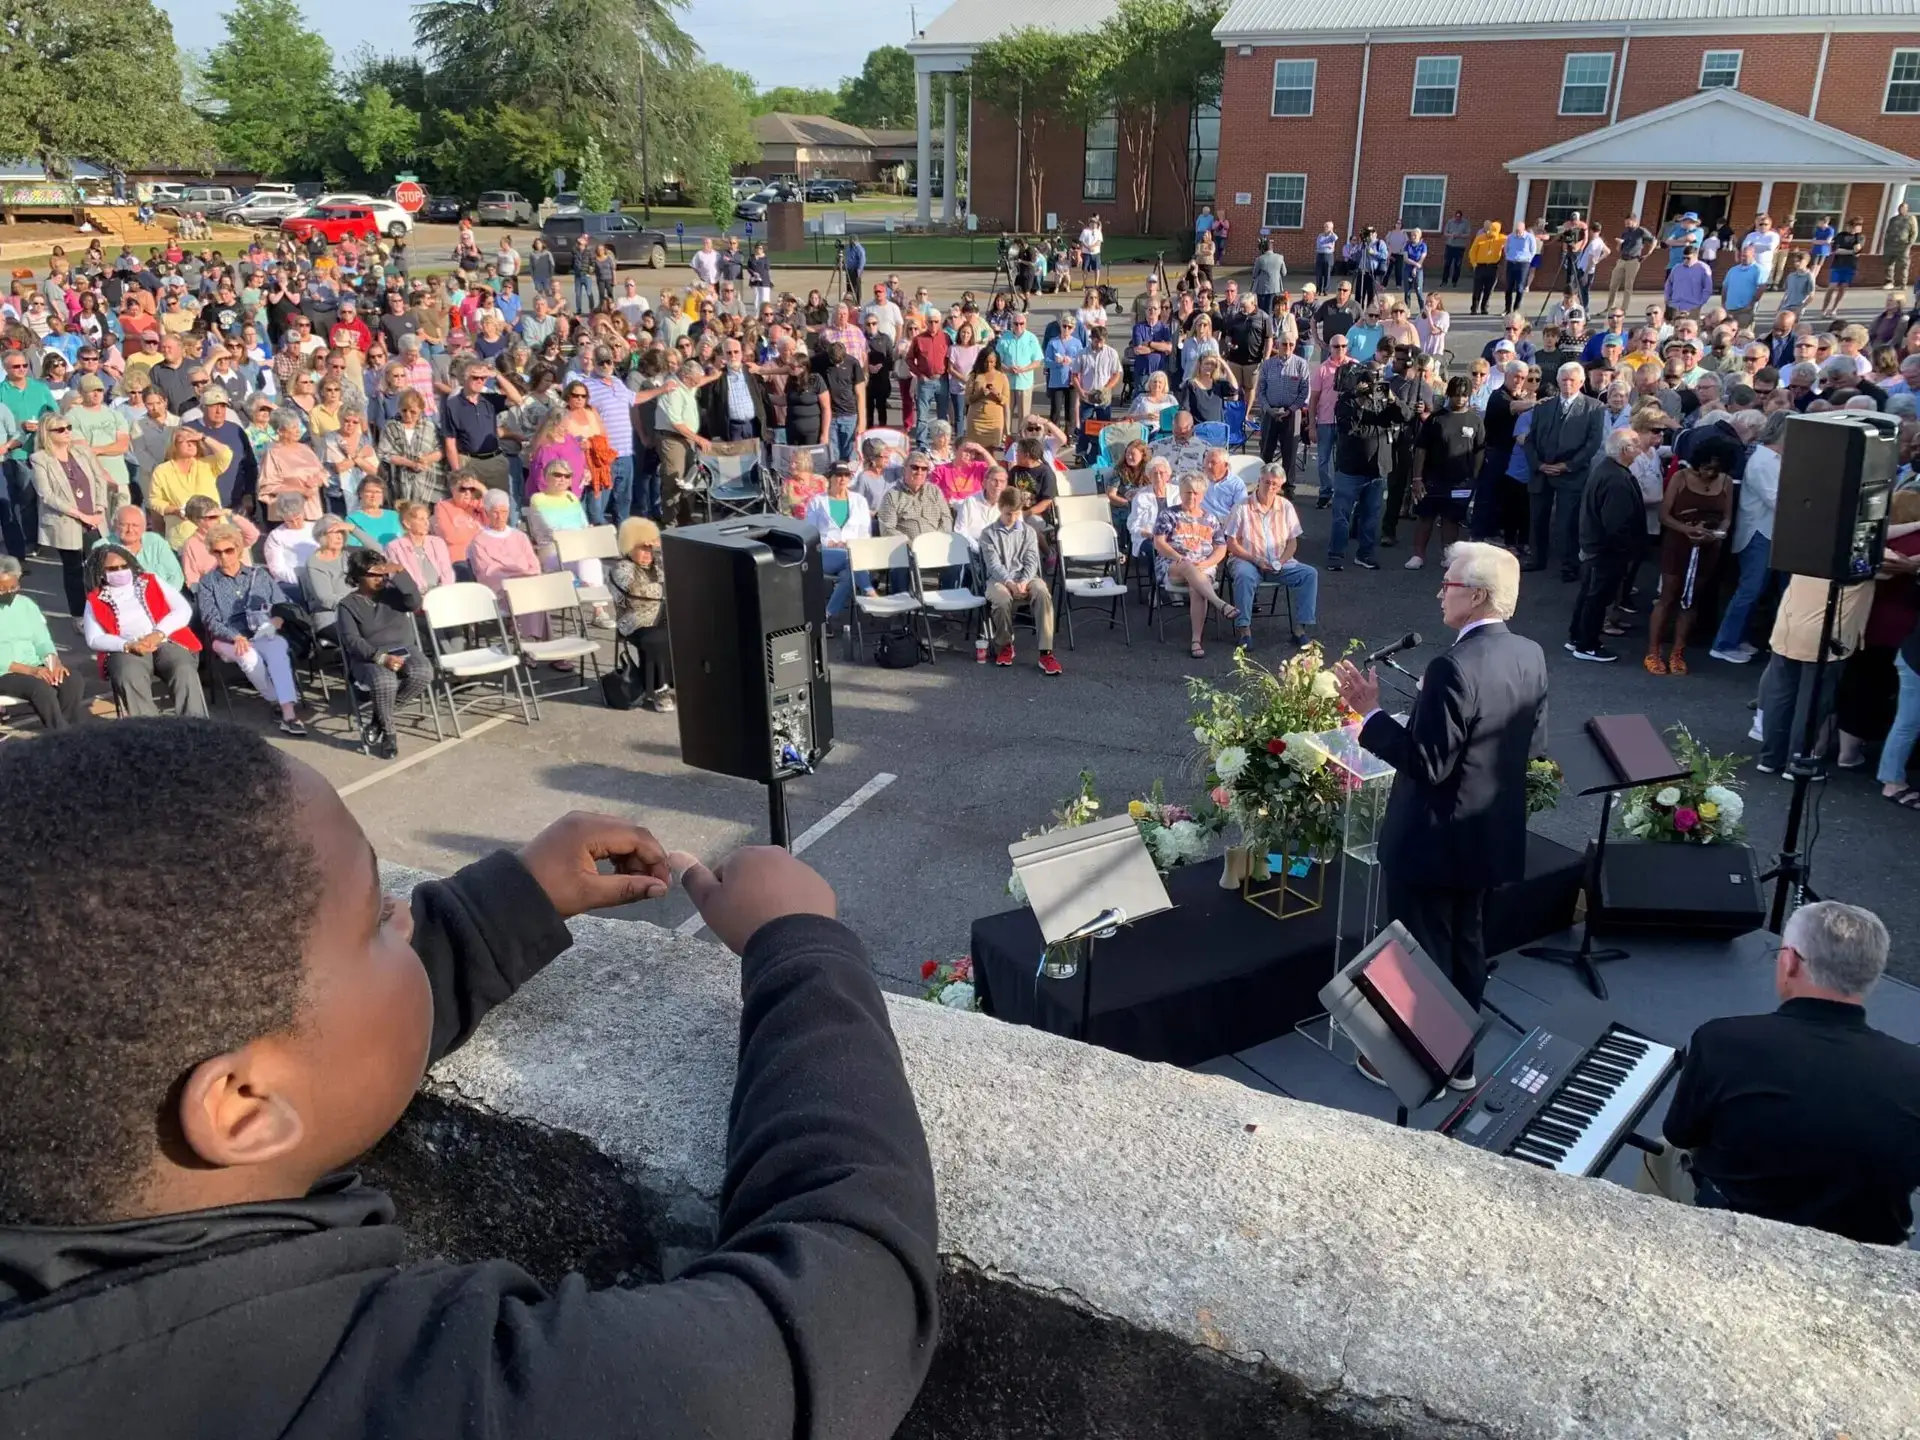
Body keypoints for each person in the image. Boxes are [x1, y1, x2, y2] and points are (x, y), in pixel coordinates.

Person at [0, 723, 939, 1434]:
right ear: (244, 1111)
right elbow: (843, 1312)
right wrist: (800, 945)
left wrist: (509, 903)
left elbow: (293, 1053)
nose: (408, 918)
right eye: (376, 920)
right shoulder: (420, 1394)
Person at [1333, 543, 1548, 1089]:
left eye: (1447, 582)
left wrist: (1371, 716)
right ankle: (1460, 1065)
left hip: (1433, 840)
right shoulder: (1530, 654)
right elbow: (1530, 741)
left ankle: (1416, 1060)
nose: (1439, 591)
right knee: (1466, 944)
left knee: (1418, 953)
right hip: (1487, 836)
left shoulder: (1452, 666)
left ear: (1475, 595)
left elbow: (1428, 763)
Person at [1661, 901, 1920, 1244]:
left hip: (1738, 1237)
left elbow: (1681, 1134)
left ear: (1790, 962)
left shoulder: (1722, 1041)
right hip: (1869, 1251)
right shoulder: (1912, 1071)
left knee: (1663, 1151)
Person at [193, 523, 306, 735]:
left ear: (238, 548)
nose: (224, 556)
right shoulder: (208, 582)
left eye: (228, 550)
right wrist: (234, 636)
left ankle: (289, 715)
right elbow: (210, 619)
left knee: (277, 651)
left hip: (262, 630)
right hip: (225, 637)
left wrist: (278, 619)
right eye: (217, 552)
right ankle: (276, 699)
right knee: (248, 656)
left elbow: (282, 602)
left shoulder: (259, 575)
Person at [1644, 432, 1737, 676]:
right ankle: (1653, 652)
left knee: (1691, 600)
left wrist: (1719, 533)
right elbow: (1665, 515)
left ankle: (1678, 653)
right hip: (1678, 544)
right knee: (1668, 596)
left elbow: (1727, 517)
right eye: (1705, 468)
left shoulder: (1726, 482)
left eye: (1715, 470)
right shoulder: (1680, 477)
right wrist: (1688, 530)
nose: (1709, 474)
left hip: (1709, 547)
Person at [79, 541, 207, 717]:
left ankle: (196, 725)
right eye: (112, 569)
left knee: (183, 668)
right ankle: (149, 731)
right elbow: (93, 638)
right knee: (129, 675)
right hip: (127, 649)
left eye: (124, 566)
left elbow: (183, 609)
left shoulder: (150, 580)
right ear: (100, 573)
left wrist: (159, 633)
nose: (120, 572)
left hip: (164, 640)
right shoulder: (95, 598)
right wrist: (127, 645)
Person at [335, 548, 432, 758]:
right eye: (373, 574)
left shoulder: (393, 595)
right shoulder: (347, 605)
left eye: (383, 573)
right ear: (357, 576)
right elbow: (352, 641)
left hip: (404, 649)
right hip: (369, 656)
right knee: (385, 682)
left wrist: (401, 572)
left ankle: (378, 720)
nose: (379, 579)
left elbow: (415, 602)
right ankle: (389, 733)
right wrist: (381, 658)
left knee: (423, 672)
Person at [1710, 408, 1786, 663]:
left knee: (1757, 590)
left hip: (1769, 532)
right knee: (1750, 590)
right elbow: (1778, 501)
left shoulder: (1773, 459)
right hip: (1758, 533)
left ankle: (1736, 638)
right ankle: (1724, 643)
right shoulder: (1764, 461)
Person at [31, 412, 126, 618]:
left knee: (101, 566)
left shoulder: (82, 452)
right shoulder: (40, 459)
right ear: (47, 433)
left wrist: (100, 509)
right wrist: (82, 516)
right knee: (74, 571)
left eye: (68, 428)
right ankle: (79, 615)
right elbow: (46, 495)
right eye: (60, 429)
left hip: (95, 518)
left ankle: (107, 611)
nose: (67, 432)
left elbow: (100, 479)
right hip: (66, 521)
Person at [1566, 426, 1647, 663]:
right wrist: (1626, 551)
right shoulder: (1616, 480)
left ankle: (1576, 636)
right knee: (1598, 598)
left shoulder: (1606, 469)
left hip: (1595, 547)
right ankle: (1587, 644)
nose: (1640, 450)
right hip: (1606, 552)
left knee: (1588, 595)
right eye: (1636, 445)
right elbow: (1616, 524)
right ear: (1625, 450)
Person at [1522, 362, 1605, 579]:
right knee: (1537, 517)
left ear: (1581, 382)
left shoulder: (1594, 408)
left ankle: (1569, 564)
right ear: (1557, 381)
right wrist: (1539, 464)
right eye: (1563, 379)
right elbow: (1530, 440)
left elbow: (1592, 444)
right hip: (1542, 471)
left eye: (1572, 379)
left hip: (1571, 473)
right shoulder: (1543, 406)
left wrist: (1567, 466)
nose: (1567, 383)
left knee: (1567, 521)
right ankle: (1537, 558)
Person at [1225, 463, 1316, 648]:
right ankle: (1244, 631)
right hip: (1248, 560)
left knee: (1310, 574)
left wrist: (1280, 562)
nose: (1270, 487)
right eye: (1267, 482)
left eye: (1275, 484)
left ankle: (1300, 630)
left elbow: (1292, 541)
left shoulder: (1286, 506)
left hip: (1278, 562)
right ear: (1259, 481)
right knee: (1244, 576)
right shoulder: (1242, 507)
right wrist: (1256, 560)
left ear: (1280, 486)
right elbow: (1231, 543)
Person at [1327, 363, 1406, 572]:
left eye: (1378, 380)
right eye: (1370, 381)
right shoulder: (1348, 399)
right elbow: (1349, 428)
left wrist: (1393, 399)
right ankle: (1336, 555)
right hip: (1350, 469)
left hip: (1377, 469)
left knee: (1371, 515)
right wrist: (1360, 399)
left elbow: (1405, 416)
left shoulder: (1385, 398)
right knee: (1342, 515)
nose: (1374, 386)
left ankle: (1365, 554)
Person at [1404, 375, 1484, 571]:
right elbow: (1421, 449)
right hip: (1432, 479)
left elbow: (1479, 451)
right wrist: (1417, 478)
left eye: (1464, 395)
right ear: (1449, 395)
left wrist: (1473, 477)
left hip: (1460, 483)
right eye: (1456, 395)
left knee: (1451, 519)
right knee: (1425, 517)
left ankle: (1448, 557)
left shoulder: (1475, 421)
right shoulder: (1436, 419)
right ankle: (1418, 555)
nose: (1460, 399)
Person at [978, 487, 1060, 675]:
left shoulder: (1029, 532)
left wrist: (1023, 581)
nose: (1012, 518)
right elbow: (993, 565)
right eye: (1008, 514)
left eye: (1016, 514)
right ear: (1000, 508)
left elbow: (1032, 560)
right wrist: (1010, 583)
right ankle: (1005, 645)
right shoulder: (988, 533)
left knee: (1042, 592)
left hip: (1026, 577)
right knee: (1001, 599)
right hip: (999, 579)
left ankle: (1046, 652)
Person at [1154, 471, 1236, 659]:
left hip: (1203, 566)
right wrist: (1178, 557)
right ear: (1181, 493)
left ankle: (1196, 640)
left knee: (1196, 587)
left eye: (1196, 493)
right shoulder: (1168, 514)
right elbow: (1159, 543)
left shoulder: (1210, 518)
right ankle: (1220, 603)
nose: (1191, 497)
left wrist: (1206, 562)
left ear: (1203, 495)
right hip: (1172, 564)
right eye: (1187, 492)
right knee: (1187, 564)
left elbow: (1221, 548)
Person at [0, 555, 86, 727]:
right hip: (6, 671)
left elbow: (42, 640)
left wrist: (54, 663)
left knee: (72, 680)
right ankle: (60, 734)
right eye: (2, 589)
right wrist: (30, 671)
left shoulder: (26, 604)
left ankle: (69, 731)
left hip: (34, 666)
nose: (9, 593)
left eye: (13, 587)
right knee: (40, 688)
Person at [609, 516, 674, 710]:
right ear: (629, 547)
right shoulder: (621, 569)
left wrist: (660, 551)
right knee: (659, 639)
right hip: (634, 622)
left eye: (650, 548)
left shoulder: (657, 565)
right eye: (642, 548)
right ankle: (659, 690)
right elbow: (639, 591)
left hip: (661, 617)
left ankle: (674, 682)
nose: (647, 553)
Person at [806, 463, 875, 625]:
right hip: (824, 553)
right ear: (830, 478)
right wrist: (828, 543)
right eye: (838, 475)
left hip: (853, 553)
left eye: (846, 475)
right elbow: (809, 533)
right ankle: (869, 590)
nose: (842, 479)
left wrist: (851, 543)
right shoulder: (817, 501)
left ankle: (827, 615)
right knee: (850, 558)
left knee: (847, 575)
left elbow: (865, 533)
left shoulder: (859, 501)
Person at [96, 504, 185, 590]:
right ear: (115, 524)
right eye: (124, 525)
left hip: (161, 599)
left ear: (144, 526)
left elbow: (176, 577)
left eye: (135, 525)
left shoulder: (156, 541)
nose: (130, 530)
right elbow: (99, 585)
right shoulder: (102, 546)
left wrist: (161, 598)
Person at [385, 500, 456, 593]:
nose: (427, 523)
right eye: (421, 519)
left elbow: (447, 572)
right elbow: (398, 578)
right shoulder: (394, 547)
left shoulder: (437, 542)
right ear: (407, 523)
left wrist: (443, 592)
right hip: (413, 597)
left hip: (441, 595)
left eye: (427, 518)